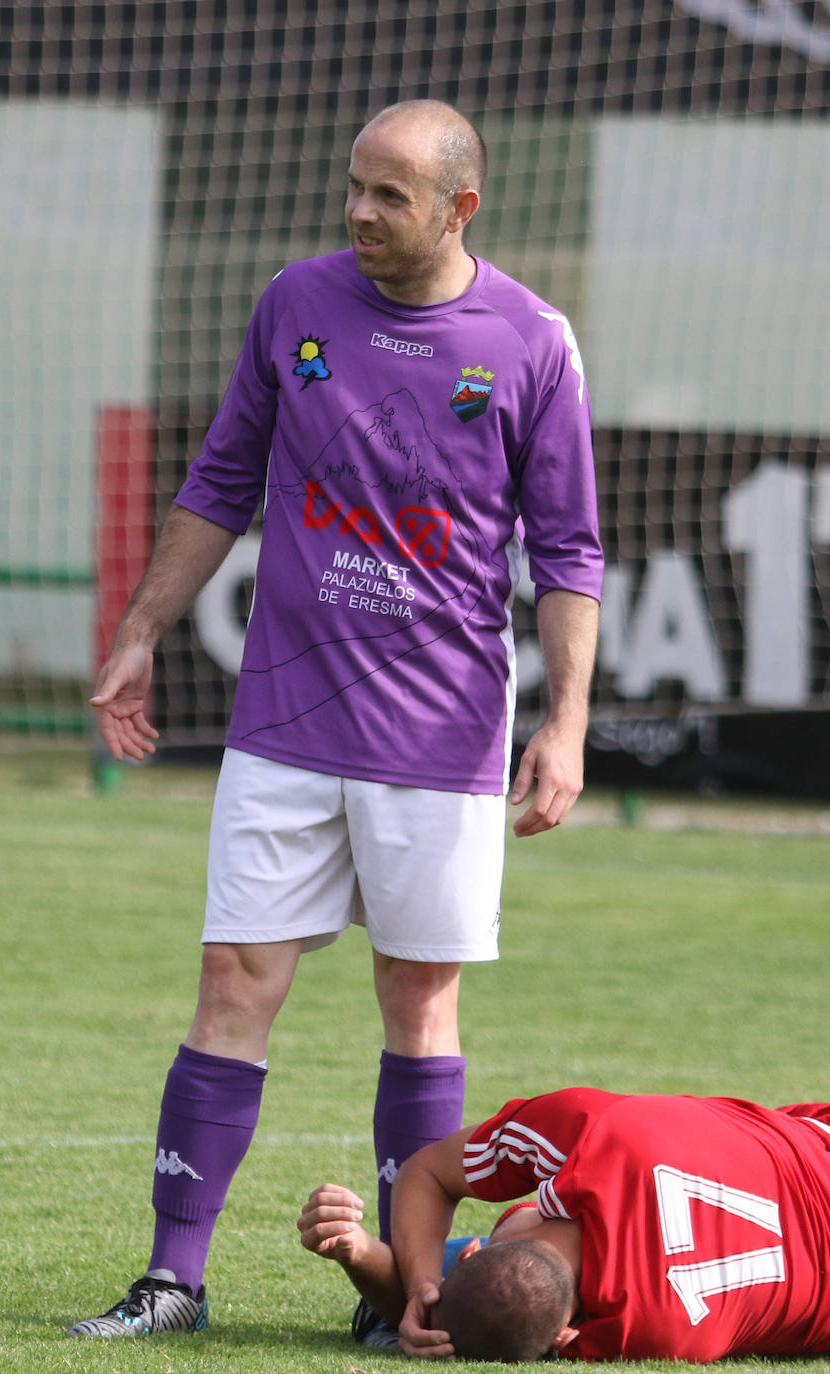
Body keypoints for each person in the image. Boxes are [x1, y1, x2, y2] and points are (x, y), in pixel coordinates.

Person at [67, 98, 603, 1340]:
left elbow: (569, 551)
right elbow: (221, 477)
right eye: (353, 187)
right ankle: (171, 1281)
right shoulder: (294, 303)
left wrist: (566, 722)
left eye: (390, 196)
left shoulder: (530, 341)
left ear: (460, 208)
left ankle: (401, 1294)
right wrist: (144, 628)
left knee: (418, 1004)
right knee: (233, 982)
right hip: (286, 720)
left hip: (440, 735)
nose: (359, 212)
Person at [297, 1087, 830, 1362]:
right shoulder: (591, 1130)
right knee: (742, 1134)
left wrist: (390, 1272)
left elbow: (507, 1328)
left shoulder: (635, 1329)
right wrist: (415, 1279)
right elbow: (429, 1170)